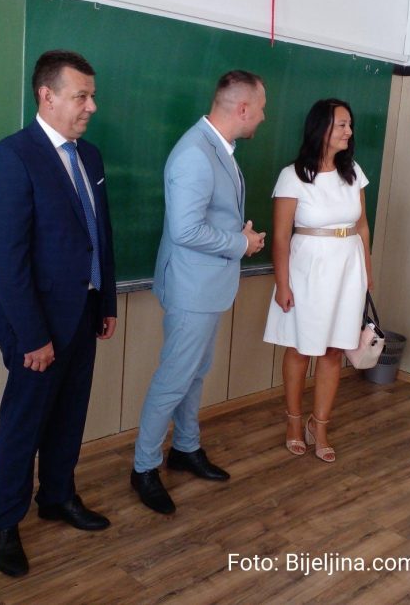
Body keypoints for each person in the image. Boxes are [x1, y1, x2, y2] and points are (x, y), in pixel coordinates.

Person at [0, 49, 118, 576]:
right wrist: (34, 335)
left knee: (69, 415)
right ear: (47, 96)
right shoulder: (12, 157)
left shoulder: (90, 157)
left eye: (92, 96)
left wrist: (106, 300)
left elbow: (100, 234)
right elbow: (8, 260)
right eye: (82, 96)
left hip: (84, 313)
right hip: (35, 326)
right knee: (24, 424)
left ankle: (57, 496)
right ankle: (4, 523)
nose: (92, 107)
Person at [131, 70, 267, 514]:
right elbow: (186, 229)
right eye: (261, 109)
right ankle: (144, 467)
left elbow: (209, 216)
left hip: (207, 285)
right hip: (192, 288)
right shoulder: (195, 153)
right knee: (174, 378)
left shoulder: (216, 147)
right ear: (242, 109)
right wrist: (241, 243)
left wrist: (238, 234)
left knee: (194, 372)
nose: (264, 117)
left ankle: (185, 448)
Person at [263, 98, 372, 463]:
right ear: (321, 128)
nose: (349, 131)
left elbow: (362, 227)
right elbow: (281, 237)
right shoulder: (292, 175)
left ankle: (319, 425)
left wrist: (367, 274)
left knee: (334, 350)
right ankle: (294, 422)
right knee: (300, 348)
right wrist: (283, 284)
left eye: (350, 125)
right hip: (307, 271)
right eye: (342, 124)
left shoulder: (353, 172)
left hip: (348, 270)